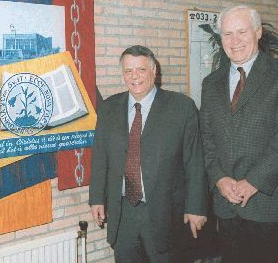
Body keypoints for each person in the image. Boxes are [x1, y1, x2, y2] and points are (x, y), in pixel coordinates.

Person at [200, 5, 278, 263]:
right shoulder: (211, 84)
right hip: (228, 208)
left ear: (258, 32)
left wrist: (253, 182)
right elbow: (206, 138)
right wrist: (219, 178)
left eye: (241, 31)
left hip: (272, 207)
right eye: (227, 34)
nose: (234, 40)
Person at [89, 45, 208, 263]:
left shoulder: (181, 107)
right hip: (123, 211)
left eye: (141, 70)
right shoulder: (109, 108)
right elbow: (99, 157)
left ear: (154, 71)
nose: (135, 77)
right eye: (128, 71)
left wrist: (196, 207)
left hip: (165, 213)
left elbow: (195, 162)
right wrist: (96, 198)